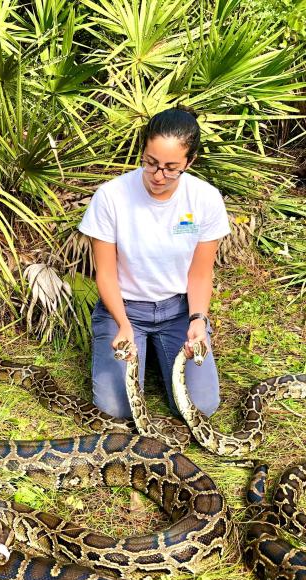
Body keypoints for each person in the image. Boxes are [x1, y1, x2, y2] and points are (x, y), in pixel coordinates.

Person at [79, 107, 230, 420]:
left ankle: (159, 362)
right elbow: (105, 273)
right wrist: (122, 324)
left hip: (178, 310)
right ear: (143, 152)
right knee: (115, 410)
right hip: (124, 307)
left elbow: (200, 275)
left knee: (200, 408)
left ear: (190, 162)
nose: (159, 176)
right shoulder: (111, 196)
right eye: (151, 163)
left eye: (171, 168)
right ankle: (145, 358)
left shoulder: (205, 199)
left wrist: (198, 320)